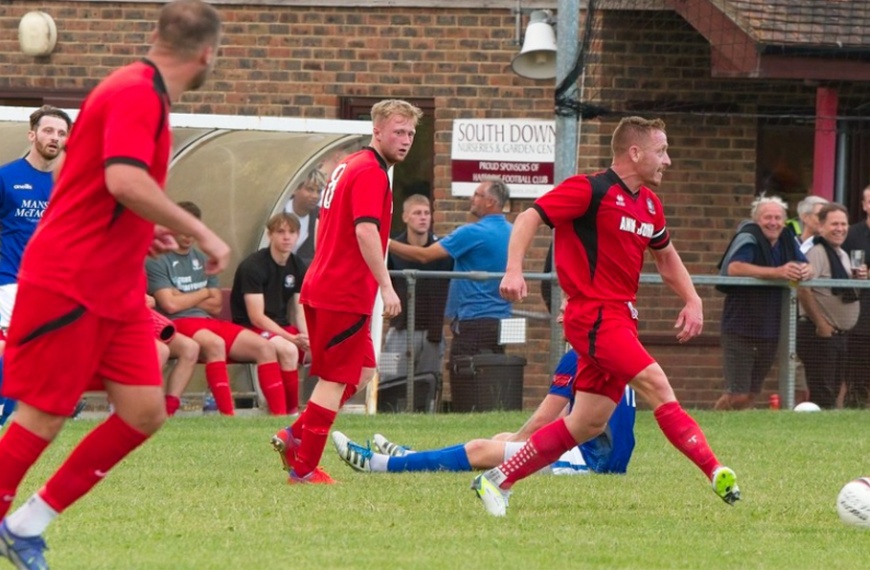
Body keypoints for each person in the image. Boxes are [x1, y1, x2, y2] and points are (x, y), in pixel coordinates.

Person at [0, 2, 228, 567]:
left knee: (144, 410)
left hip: (113, 284)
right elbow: (122, 177)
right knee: (43, 414)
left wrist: (140, 228)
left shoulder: (137, 88)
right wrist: (198, 229)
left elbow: (93, 181)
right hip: (71, 278)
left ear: (156, 36)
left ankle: (27, 523)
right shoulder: (136, 92)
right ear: (207, 55)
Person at [475, 116, 740, 518]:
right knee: (656, 384)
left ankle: (497, 479)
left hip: (620, 317)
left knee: (587, 423)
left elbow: (666, 258)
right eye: (661, 150)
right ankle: (715, 470)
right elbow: (530, 217)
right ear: (635, 152)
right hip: (594, 314)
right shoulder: (589, 189)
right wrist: (514, 270)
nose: (667, 160)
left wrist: (693, 299)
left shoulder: (650, 204)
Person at [270, 99, 423, 484]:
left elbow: (324, 225)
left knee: (365, 369)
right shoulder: (371, 172)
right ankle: (303, 469)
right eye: (398, 131)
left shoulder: (346, 165)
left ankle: (295, 434)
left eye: (410, 133)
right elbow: (365, 230)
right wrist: (387, 286)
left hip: (327, 284)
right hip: (342, 290)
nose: (405, 140)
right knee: (335, 378)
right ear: (377, 130)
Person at [332, 349, 636, 476]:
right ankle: (409, 456)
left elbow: (544, 418)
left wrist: (516, 442)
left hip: (592, 464)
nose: (559, 316)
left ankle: (380, 464)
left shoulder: (578, 354)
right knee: (496, 443)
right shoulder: (620, 348)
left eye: (565, 307)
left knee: (481, 449)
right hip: (600, 456)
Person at [147, 201, 287, 417]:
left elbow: (216, 305)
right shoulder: (157, 259)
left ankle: (280, 415)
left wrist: (184, 295)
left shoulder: (204, 259)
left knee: (265, 348)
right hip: (178, 323)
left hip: (208, 321)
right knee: (215, 344)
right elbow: (170, 305)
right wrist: (203, 292)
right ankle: (227, 414)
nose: (188, 233)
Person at [388, 178, 512, 369]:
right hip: (500, 321)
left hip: (472, 322)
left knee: (463, 381)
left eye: (477, 195)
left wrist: (382, 241)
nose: (472, 199)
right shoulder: (513, 232)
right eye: (417, 213)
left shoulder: (472, 233)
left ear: (490, 202)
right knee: (491, 378)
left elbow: (424, 255)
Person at [0, 105, 72, 428]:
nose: (54, 138)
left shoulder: (69, 185)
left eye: (60, 133)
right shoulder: (6, 177)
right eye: (48, 130)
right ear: (32, 134)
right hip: (9, 280)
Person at [714, 195, 810, 410]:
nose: (773, 222)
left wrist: (805, 270)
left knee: (751, 394)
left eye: (778, 217)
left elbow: (807, 265)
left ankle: (731, 431)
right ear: (757, 220)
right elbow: (734, 268)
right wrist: (778, 272)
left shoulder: (787, 237)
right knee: (737, 394)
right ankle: (712, 424)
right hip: (740, 325)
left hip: (772, 326)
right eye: (767, 217)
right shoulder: (748, 236)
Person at [230, 212, 309, 415]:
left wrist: (308, 337)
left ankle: (322, 409)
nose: (287, 237)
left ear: (298, 235)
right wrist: (291, 337)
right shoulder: (253, 266)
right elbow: (256, 317)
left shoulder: (298, 265)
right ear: (269, 235)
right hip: (248, 327)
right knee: (289, 349)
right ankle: (288, 412)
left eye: (292, 232)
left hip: (279, 327)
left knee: (320, 350)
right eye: (280, 231)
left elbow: (300, 310)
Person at [796, 203, 864, 409]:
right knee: (823, 393)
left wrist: (856, 279)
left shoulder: (842, 254)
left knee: (834, 390)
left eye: (844, 224)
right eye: (834, 224)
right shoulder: (817, 251)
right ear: (821, 226)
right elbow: (802, 288)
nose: (840, 228)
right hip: (819, 334)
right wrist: (821, 324)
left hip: (839, 336)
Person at [382, 194, 452, 380]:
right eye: (417, 213)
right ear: (405, 217)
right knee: (389, 382)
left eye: (427, 213)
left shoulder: (442, 250)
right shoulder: (392, 251)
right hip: (399, 329)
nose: (423, 217)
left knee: (429, 384)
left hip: (432, 332)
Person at [146, 295, 200, 416]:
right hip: (113, 327)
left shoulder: (135, 276)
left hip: (143, 323)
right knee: (161, 350)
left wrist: (150, 300)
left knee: (190, 348)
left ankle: (169, 410)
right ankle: (142, 406)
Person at [841, 184, 870, 409]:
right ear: (863, 205)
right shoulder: (850, 234)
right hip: (859, 314)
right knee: (856, 368)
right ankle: (851, 407)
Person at [283, 168, 325, 267]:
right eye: (310, 189)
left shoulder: (320, 216)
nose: (315, 196)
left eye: (318, 191)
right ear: (295, 189)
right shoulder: (278, 211)